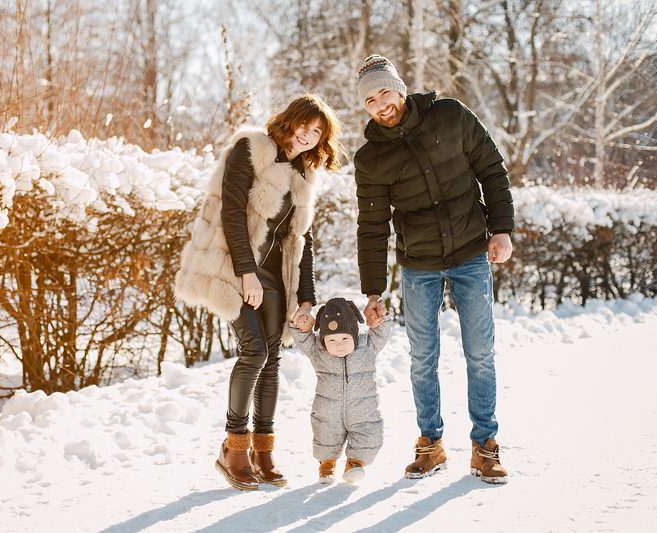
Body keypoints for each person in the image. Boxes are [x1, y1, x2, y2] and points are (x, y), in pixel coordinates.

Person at [353, 54, 514, 484]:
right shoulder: (370, 159)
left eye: (384, 91)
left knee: (480, 353)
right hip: (419, 264)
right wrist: (372, 292)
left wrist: (501, 229)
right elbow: (371, 227)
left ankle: (485, 446)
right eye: (370, 100)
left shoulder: (451, 116)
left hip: (470, 252)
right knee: (423, 357)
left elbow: (491, 170)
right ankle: (431, 444)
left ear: (400, 88)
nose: (380, 104)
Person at [174, 94, 345, 491]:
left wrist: (307, 296)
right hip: (234, 266)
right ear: (289, 121)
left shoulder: (304, 174)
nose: (308, 134)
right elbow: (231, 212)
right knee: (255, 351)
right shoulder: (249, 149)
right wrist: (246, 274)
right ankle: (233, 448)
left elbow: (303, 238)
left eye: (317, 131)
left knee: (272, 359)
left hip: (275, 276)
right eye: (304, 124)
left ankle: (263, 452)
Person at [290, 297, 391, 485]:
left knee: (369, 435)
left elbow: (380, 333)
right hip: (328, 410)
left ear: (354, 335)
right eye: (332, 340)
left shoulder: (366, 348)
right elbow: (304, 338)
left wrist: (381, 318)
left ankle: (355, 464)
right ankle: (327, 465)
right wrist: (300, 325)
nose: (339, 344)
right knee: (325, 435)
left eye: (345, 338)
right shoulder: (318, 351)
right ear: (323, 340)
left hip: (363, 410)